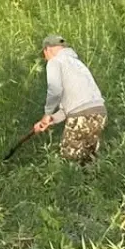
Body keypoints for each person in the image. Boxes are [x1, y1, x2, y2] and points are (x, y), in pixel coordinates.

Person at [32, 35, 107, 164]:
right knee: (88, 161)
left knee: (69, 162)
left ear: (47, 50)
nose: (45, 59)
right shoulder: (77, 64)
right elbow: (73, 105)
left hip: (81, 116)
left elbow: (55, 90)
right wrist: (51, 120)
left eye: (44, 55)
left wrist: (47, 114)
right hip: (99, 114)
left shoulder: (54, 62)